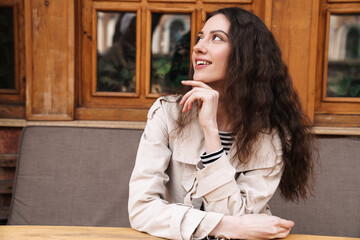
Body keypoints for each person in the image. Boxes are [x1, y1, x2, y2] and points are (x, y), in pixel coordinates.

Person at [128, 7, 315, 240]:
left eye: (216, 38)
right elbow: (141, 209)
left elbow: (238, 215)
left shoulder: (272, 135)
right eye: (200, 37)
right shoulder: (166, 113)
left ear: (246, 55)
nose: (198, 47)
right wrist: (230, 226)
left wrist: (211, 133)